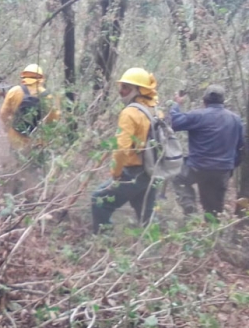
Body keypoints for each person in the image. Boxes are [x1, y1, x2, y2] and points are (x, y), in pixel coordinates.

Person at [91, 68, 159, 233]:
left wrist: (116, 173)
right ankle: (153, 252)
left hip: (133, 172)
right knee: (146, 216)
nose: (121, 91)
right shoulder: (156, 110)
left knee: (99, 199)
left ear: (139, 90)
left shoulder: (130, 113)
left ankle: (102, 242)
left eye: (126, 87)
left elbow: (121, 149)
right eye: (121, 86)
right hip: (153, 172)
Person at [170, 85, 244, 219]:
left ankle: (189, 207)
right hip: (222, 170)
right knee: (214, 210)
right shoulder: (236, 120)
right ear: (223, 102)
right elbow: (241, 147)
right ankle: (210, 233)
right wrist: (230, 166)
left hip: (198, 167)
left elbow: (174, 123)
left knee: (178, 177)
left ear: (204, 101)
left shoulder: (197, 115)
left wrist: (177, 104)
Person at [0, 64, 58, 150]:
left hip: (16, 138)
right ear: (41, 78)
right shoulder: (48, 96)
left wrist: (8, 127)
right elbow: (53, 120)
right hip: (38, 140)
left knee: (16, 161)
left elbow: (3, 113)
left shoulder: (14, 91)